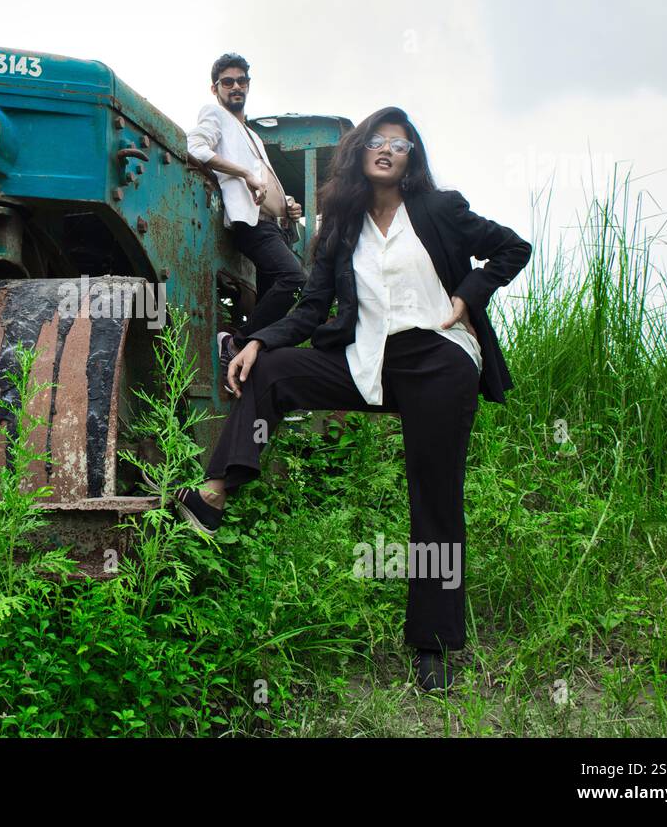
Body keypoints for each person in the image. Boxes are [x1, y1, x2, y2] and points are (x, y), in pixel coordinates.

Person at [173, 106, 532, 692]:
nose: (388, 148)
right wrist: (260, 339)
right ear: (361, 151)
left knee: (433, 496)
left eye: (401, 142)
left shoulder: (441, 210)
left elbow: (512, 248)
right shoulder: (341, 227)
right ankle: (214, 495)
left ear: (411, 156)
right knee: (276, 370)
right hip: (367, 361)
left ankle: (434, 646)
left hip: (439, 359)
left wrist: (468, 296)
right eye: (377, 140)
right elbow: (313, 310)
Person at [186, 53, 305, 375]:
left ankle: (248, 366)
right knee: (294, 280)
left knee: (274, 307)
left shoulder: (251, 134)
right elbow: (196, 147)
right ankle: (234, 342)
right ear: (216, 89)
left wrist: (288, 204)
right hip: (252, 224)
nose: (235, 86)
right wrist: (243, 174)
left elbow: (263, 180)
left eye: (241, 81)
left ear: (248, 85)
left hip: (275, 224)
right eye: (228, 82)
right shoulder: (214, 114)